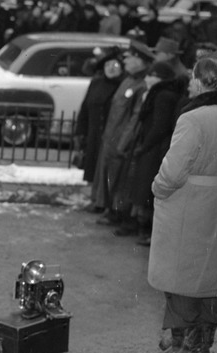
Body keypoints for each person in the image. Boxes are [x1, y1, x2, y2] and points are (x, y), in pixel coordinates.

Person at [140, 54, 217, 353]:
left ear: (204, 82)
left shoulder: (193, 119)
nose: (189, 82)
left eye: (194, 77)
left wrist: (158, 190)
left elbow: (173, 173)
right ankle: (200, 345)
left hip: (189, 206)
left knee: (183, 279)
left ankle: (184, 349)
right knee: (214, 278)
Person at [123, 61, 185, 244]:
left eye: (152, 75)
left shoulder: (162, 96)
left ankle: (146, 229)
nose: (147, 78)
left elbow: (159, 125)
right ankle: (142, 227)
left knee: (146, 190)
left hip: (153, 149)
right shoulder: (158, 94)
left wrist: (144, 146)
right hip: (152, 147)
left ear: (160, 79)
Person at [93, 42, 152, 227]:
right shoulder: (128, 81)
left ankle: (118, 214)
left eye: (130, 57)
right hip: (111, 138)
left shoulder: (140, 85)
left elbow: (134, 118)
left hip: (121, 141)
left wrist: (123, 143)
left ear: (140, 61)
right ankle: (110, 210)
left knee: (120, 179)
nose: (125, 60)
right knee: (110, 176)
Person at [74, 50, 124, 211]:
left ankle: (105, 203)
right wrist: (80, 131)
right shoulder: (96, 83)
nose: (111, 68)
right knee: (93, 166)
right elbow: (85, 108)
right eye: (108, 65)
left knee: (106, 169)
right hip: (94, 133)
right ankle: (96, 199)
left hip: (111, 135)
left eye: (115, 65)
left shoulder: (122, 85)